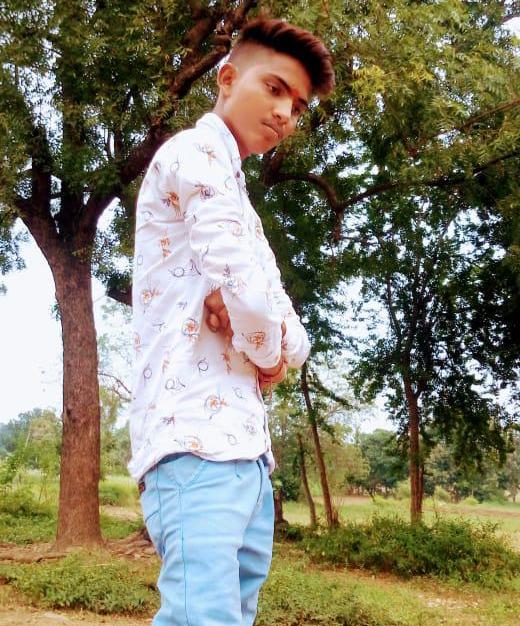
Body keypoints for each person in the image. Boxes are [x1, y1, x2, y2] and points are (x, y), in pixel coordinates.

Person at [128, 17, 335, 626]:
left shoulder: (238, 196)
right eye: (274, 89)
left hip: (246, 450)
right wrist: (261, 332)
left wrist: (266, 341)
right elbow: (250, 296)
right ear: (226, 78)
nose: (285, 113)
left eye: (297, 106)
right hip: (194, 440)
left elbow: (285, 325)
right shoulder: (193, 154)